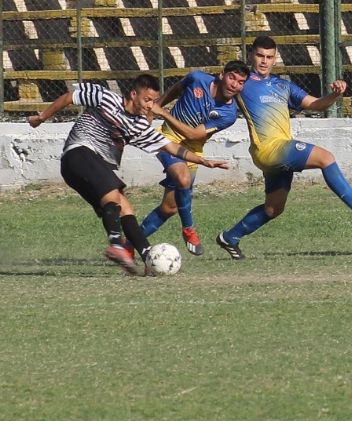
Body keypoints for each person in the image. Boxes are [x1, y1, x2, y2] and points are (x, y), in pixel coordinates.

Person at [27, 75, 229, 274]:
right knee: (113, 194)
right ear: (134, 94)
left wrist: (203, 161)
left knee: (125, 207)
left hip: (92, 167)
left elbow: (172, 147)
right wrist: (41, 118)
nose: (150, 106)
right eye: (147, 100)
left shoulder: (140, 126)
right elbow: (70, 97)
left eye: (153, 101)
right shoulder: (106, 98)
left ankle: (147, 256)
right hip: (78, 153)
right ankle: (116, 244)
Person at [215, 36, 352, 260]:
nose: (264, 61)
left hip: (278, 151)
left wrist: (335, 94)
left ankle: (230, 237)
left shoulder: (283, 85)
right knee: (326, 158)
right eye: (259, 56)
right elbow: (215, 87)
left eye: (269, 57)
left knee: (273, 209)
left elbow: (316, 105)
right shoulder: (243, 82)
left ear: (275, 59)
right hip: (269, 149)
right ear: (251, 56)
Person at [139, 60, 249, 256]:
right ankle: (189, 229)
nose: (235, 85)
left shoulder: (228, 114)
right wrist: (155, 107)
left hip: (193, 147)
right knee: (183, 178)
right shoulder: (197, 78)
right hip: (167, 137)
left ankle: (129, 243)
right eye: (232, 78)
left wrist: (162, 112)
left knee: (170, 207)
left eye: (241, 82)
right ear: (221, 74)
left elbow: (193, 135)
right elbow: (176, 89)